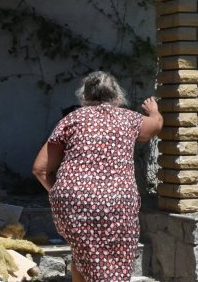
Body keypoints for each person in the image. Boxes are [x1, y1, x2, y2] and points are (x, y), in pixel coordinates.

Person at [32, 71, 163, 282]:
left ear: (84, 97)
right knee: (113, 262)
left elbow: (40, 169)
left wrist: (62, 193)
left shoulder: (72, 119)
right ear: (118, 97)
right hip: (117, 205)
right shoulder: (129, 119)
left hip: (73, 202)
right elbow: (155, 126)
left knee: (83, 254)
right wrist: (154, 111)